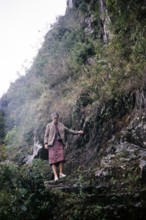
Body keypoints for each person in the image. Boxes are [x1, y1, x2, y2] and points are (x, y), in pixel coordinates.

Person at [44, 112, 84, 181]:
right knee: (53, 160)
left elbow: (69, 130)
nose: (55, 120)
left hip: (59, 143)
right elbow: (46, 135)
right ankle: (56, 176)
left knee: (61, 158)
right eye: (54, 118)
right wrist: (45, 143)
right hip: (51, 144)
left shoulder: (61, 125)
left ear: (58, 118)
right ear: (52, 118)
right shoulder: (49, 126)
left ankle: (61, 173)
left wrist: (78, 132)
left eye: (56, 118)